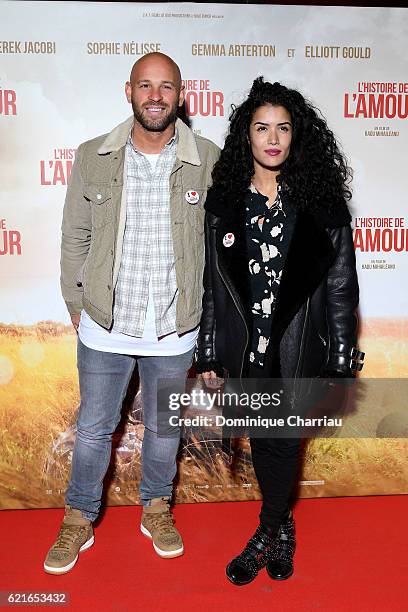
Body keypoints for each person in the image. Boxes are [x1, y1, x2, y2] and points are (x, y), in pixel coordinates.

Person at [44, 52, 219, 574]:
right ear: (129, 91)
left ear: (180, 95)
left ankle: (157, 508)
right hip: (105, 324)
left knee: (165, 429)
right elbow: (74, 235)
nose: (155, 96)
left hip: (173, 326)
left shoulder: (206, 158)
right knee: (95, 428)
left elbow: (218, 246)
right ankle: (78, 519)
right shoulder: (93, 156)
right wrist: (77, 304)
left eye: (166, 87)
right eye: (146, 85)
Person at [196, 77, 363, 585]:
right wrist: (206, 352)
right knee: (265, 440)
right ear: (245, 135)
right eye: (262, 127)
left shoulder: (322, 202)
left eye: (283, 128)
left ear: (296, 136)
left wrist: (339, 357)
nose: (273, 138)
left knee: (285, 439)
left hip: (297, 344)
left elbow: (340, 286)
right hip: (245, 344)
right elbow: (212, 284)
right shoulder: (224, 201)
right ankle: (283, 527)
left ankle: (266, 532)